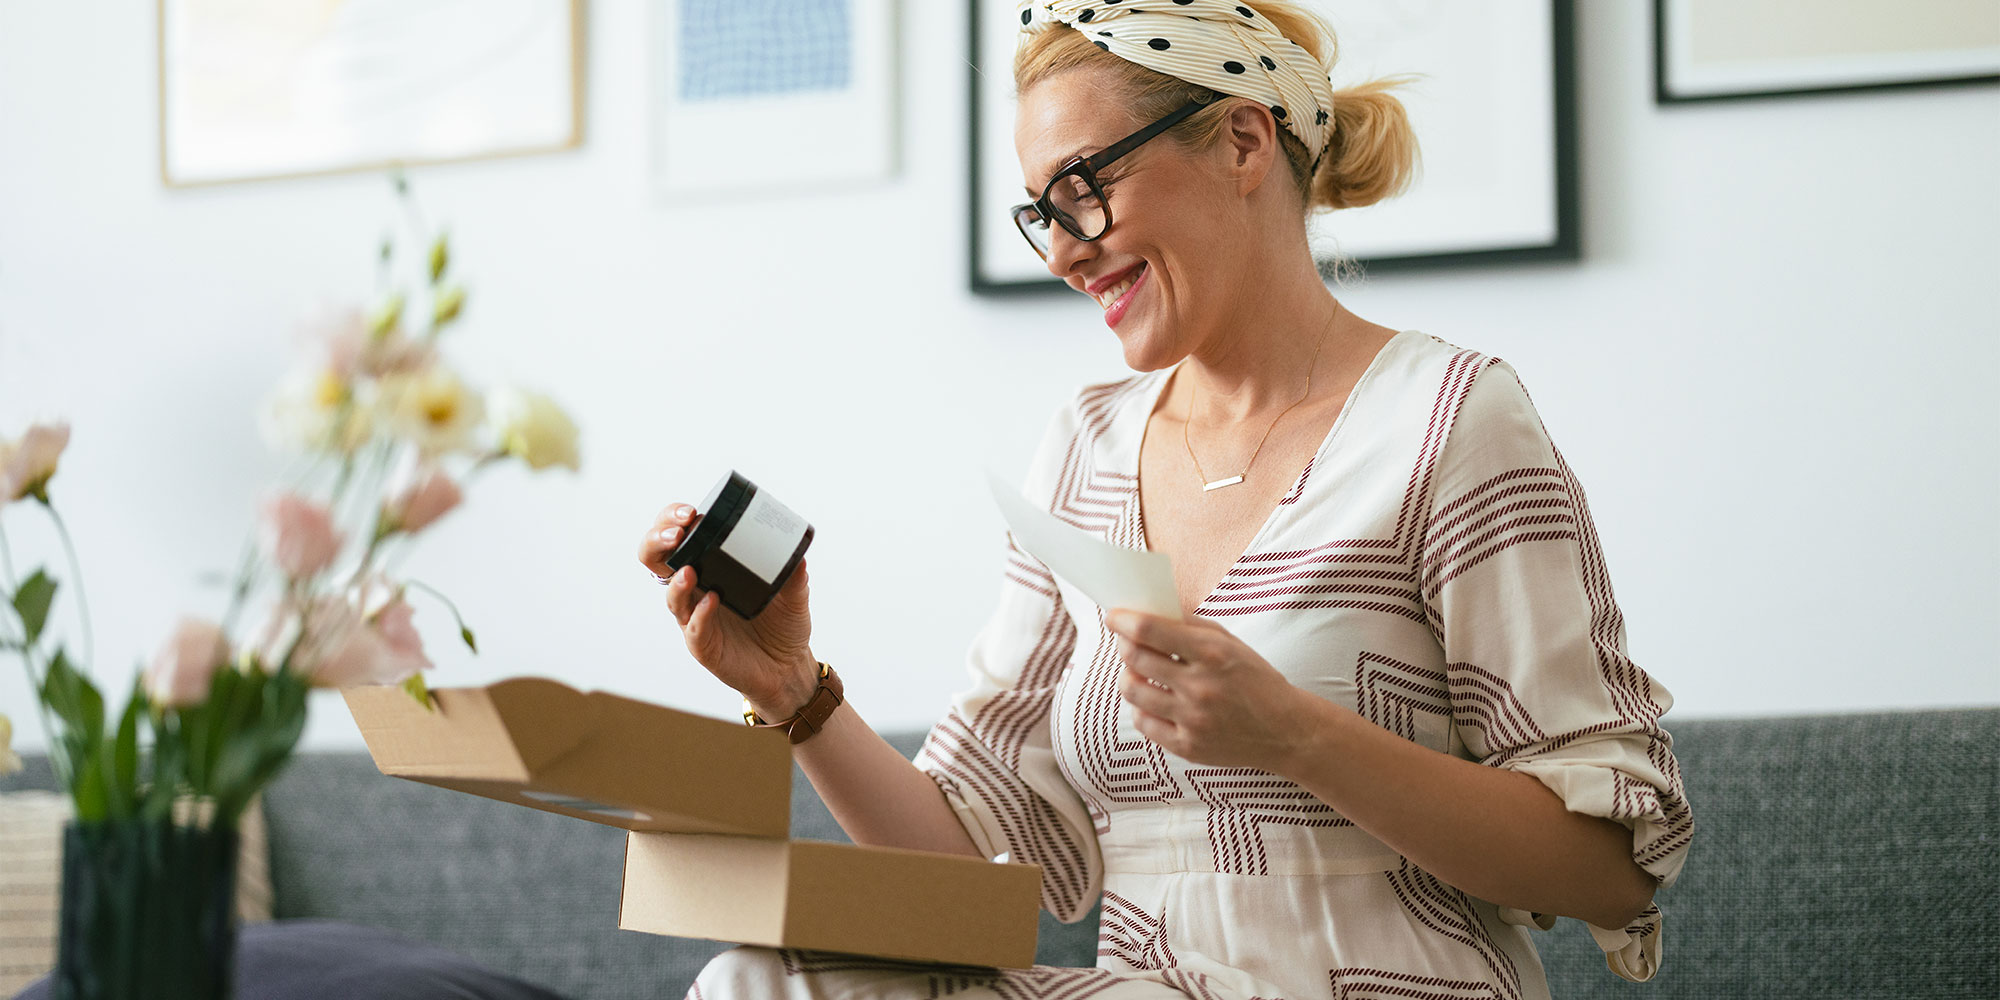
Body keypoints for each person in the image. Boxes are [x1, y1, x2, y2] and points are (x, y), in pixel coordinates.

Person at [637, 2, 1691, 997]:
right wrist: (792, 689)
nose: (1060, 249)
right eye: (1039, 212)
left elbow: (1608, 864)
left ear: (1240, 144)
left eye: (1082, 186)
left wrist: (1291, 733)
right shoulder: (1083, 450)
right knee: (760, 980)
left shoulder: (1446, 420)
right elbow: (970, 872)